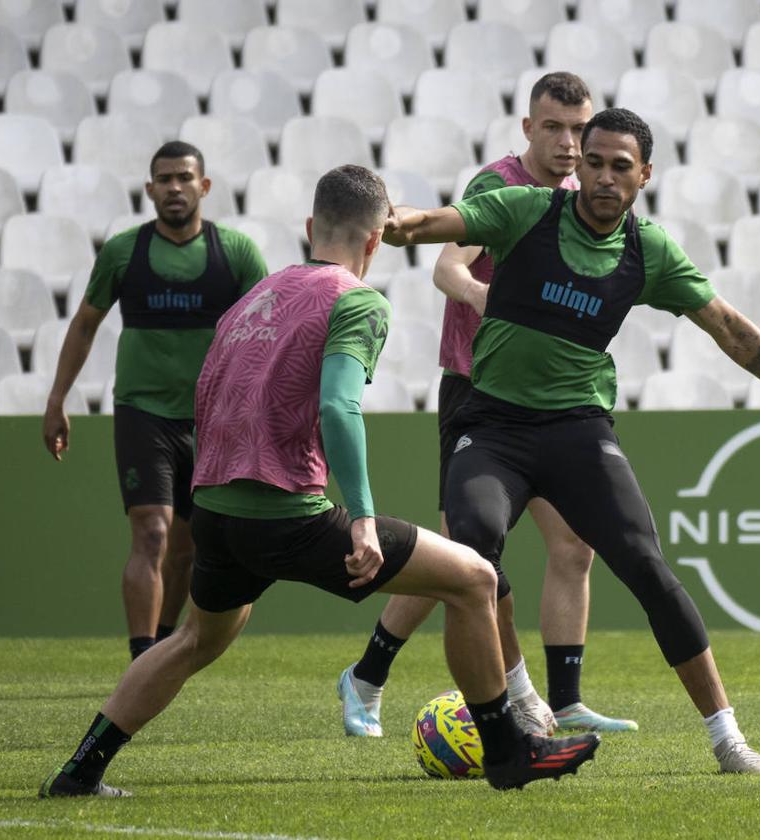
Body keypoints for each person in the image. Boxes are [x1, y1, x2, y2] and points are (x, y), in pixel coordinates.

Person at [38, 165, 601, 797]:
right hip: (284, 512)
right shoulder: (357, 300)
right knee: (475, 578)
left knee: (194, 638)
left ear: (310, 227)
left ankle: (80, 769)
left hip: (218, 509)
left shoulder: (255, 295)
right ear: (376, 241)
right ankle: (507, 752)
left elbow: (210, 393)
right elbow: (339, 405)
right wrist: (360, 515)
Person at [381, 108, 760, 775]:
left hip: (577, 430)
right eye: (594, 162)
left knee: (647, 567)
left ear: (644, 176)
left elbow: (734, 332)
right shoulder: (526, 211)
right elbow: (431, 225)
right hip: (491, 428)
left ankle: (728, 741)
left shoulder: (647, 251)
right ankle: (515, 718)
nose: (603, 176)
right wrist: (391, 221)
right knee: (473, 559)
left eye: (619, 166)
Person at [338, 72, 636, 740]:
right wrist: (485, 299)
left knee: (573, 545)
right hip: (479, 391)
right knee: (468, 559)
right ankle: (369, 675)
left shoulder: (581, 195)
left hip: (549, 400)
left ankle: (563, 701)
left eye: (578, 131)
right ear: (528, 128)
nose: (567, 143)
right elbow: (448, 268)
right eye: (553, 128)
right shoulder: (498, 184)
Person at [43, 141, 268, 661]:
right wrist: (57, 399)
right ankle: (141, 655)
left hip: (212, 418)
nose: (174, 188)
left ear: (204, 186)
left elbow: (267, 331)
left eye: (184, 178)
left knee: (188, 549)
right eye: (164, 179)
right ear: (149, 189)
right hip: (142, 413)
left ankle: (162, 644)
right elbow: (84, 325)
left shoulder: (236, 253)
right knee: (151, 533)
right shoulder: (123, 252)